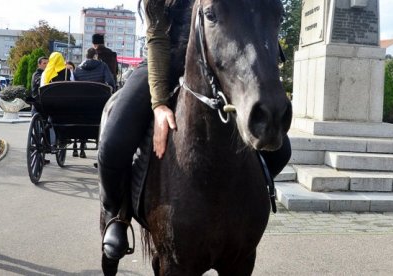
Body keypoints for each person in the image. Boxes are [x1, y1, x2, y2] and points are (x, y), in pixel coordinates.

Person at [98, 0, 291, 262]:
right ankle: (116, 215)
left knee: (281, 150)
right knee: (114, 138)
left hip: (223, 57)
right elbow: (156, 38)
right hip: (166, 61)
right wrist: (158, 104)